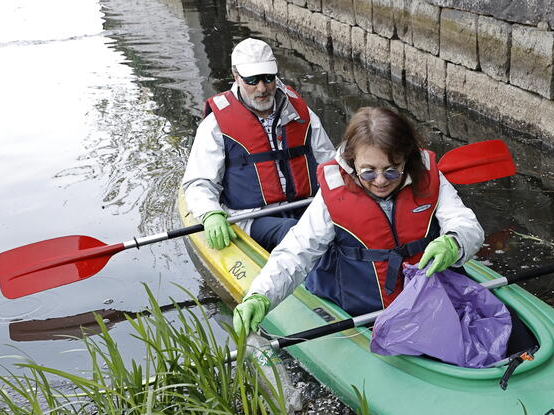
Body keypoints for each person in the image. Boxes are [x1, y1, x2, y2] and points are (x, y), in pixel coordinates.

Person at [232, 106, 485, 336]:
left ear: (406, 158)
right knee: (290, 233)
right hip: (364, 307)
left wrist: (454, 241)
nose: (380, 180)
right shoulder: (334, 191)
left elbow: (465, 223)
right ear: (353, 161)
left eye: (391, 169)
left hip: (425, 297)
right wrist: (260, 296)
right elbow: (298, 252)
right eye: (368, 171)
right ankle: (256, 226)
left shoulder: (429, 175)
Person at [181, 38, 335, 252]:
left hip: (304, 205)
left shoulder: (301, 113)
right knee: (294, 231)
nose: (262, 88)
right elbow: (199, 182)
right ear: (236, 77)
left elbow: (330, 164)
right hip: (252, 216)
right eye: (252, 80)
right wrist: (210, 213)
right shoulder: (215, 125)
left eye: (268, 78)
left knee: (336, 228)